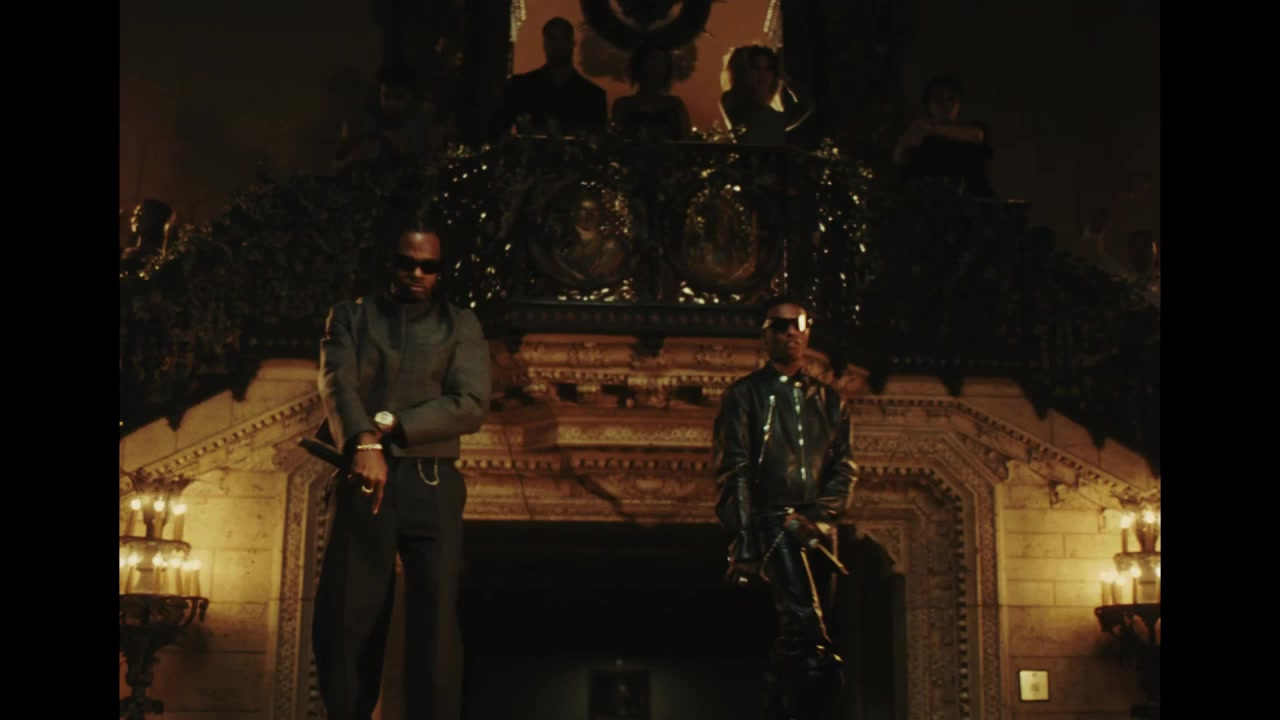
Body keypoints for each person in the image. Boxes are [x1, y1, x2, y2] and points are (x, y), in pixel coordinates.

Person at [311, 221, 491, 720]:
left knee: (436, 619)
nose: (417, 273)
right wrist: (364, 442)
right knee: (348, 611)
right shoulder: (350, 316)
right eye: (406, 263)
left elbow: (471, 403)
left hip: (432, 478)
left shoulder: (461, 324)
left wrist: (391, 426)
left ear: (440, 270)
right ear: (389, 264)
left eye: (428, 266)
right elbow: (336, 381)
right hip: (362, 475)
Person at [712, 295, 858, 720]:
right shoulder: (744, 395)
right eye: (779, 325)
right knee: (809, 638)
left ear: (808, 332)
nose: (790, 332)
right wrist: (744, 544)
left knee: (811, 633)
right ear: (765, 334)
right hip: (773, 522)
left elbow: (845, 466)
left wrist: (821, 517)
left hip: (817, 530)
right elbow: (734, 469)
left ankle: (784, 700)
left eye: (798, 324)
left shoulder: (830, 401)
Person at [490, 17, 608, 139]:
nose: (558, 44)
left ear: (572, 43)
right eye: (552, 38)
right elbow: (497, 130)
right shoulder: (520, 87)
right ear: (545, 44)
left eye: (563, 38)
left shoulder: (593, 96)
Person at [334, 62, 448, 175]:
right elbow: (337, 165)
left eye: (399, 97)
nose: (391, 104)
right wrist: (357, 158)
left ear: (411, 97)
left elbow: (437, 164)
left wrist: (412, 156)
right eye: (386, 96)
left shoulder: (424, 124)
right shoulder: (361, 120)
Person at [894, 74, 996, 197]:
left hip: (972, 198)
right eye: (938, 100)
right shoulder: (923, 141)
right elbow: (902, 162)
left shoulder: (971, 130)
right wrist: (905, 141)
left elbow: (976, 135)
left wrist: (932, 128)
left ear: (959, 104)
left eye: (951, 99)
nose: (945, 105)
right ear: (928, 105)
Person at [719, 45, 814, 146]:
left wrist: (784, 77)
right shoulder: (734, 103)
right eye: (756, 68)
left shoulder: (776, 118)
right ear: (746, 71)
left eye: (768, 69)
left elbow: (807, 104)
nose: (763, 75)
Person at [611, 41, 691, 141]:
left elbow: (686, 143)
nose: (657, 67)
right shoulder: (623, 105)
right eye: (652, 60)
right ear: (640, 64)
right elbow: (615, 142)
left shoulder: (675, 105)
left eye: (662, 63)